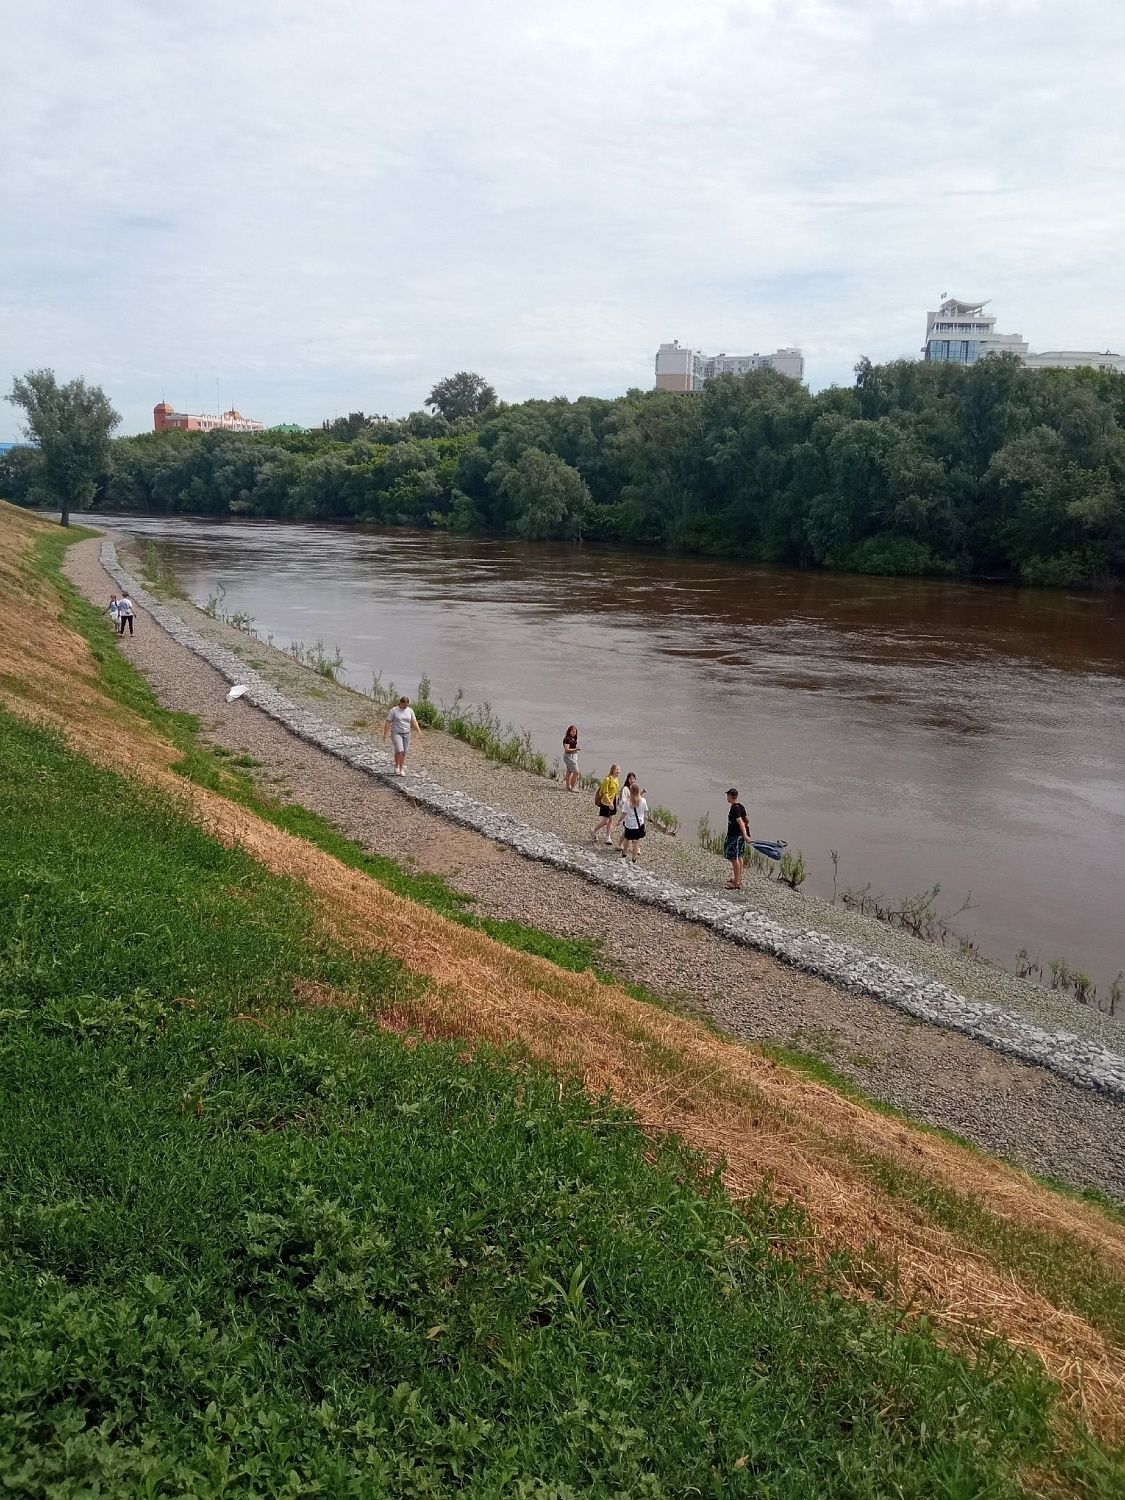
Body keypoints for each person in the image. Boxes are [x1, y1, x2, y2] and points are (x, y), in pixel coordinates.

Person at [383, 695, 422, 776]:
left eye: (406, 705)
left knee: (404, 751)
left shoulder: (410, 711)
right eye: (404, 705)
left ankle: (401, 768)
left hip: (406, 733)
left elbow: (413, 721)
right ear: (400, 703)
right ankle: (396, 766)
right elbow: (388, 722)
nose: (405, 707)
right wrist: (385, 734)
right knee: (400, 750)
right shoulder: (394, 710)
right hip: (396, 733)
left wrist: (418, 731)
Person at [616, 782, 648, 864]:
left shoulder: (627, 801)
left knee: (626, 839)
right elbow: (645, 811)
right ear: (638, 791)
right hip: (638, 824)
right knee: (636, 842)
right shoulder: (643, 801)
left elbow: (624, 813)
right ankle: (633, 858)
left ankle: (624, 853)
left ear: (630, 791)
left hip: (629, 824)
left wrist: (619, 821)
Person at [725, 787, 749, 890]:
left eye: (728, 796)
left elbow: (740, 822)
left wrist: (745, 835)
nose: (727, 797)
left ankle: (736, 883)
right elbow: (746, 820)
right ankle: (738, 878)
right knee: (739, 857)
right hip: (739, 836)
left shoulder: (734, 808)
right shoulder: (741, 807)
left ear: (730, 796)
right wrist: (746, 833)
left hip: (735, 836)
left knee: (733, 858)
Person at [590, 763, 620, 846]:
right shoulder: (607, 779)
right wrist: (610, 803)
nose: (619, 771)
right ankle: (593, 830)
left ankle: (608, 837)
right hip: (606, 802)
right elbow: (605, 792)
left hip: (612, 801)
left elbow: (615, 792)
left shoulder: (616, 779)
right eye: (617, 769)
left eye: (619, 769)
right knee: (605, 821)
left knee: (610, 820)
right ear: (613, 770)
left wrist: (615, 801)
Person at [562, 725, 580, 792]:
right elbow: (566, 750)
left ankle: (568, 785)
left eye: (575, 732)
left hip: (573, 756)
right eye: (572, 732)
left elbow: (573, 746)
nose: (574, 733)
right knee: (576, 772)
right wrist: (575, 749)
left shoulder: (573, 738)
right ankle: (573, 787)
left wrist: (575, 749)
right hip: (569, 757)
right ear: (569, 731)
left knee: (569, 771)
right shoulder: (567, 739)